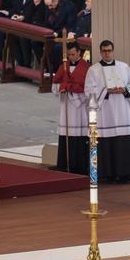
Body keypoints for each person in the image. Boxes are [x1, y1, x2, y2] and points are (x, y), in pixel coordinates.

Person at [85, 40, 130, 183]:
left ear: (113, 51)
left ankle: (126, 174)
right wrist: (106, 90)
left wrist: (125, 90)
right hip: (105, 112)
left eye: (109, 50)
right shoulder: (93, 70)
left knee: (123, 142)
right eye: (104, 51)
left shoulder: (124, 67)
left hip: (123, 110)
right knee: (106, 143)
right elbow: (88, 91)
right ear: (100, 52)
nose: (107, 53)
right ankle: (107, 174)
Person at [53, 42, 91, 175]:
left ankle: (79, 166)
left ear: (79, 53)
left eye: (73, 54)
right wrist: (62, 88)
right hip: (66, 106)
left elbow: (89, 89)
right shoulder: (64, 66)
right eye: (69, 55)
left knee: (79, 137)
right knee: (66, 134)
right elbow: (55, 84)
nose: (71, 57)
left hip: (79, 108)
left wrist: (71, 89)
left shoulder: (87, 68)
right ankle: (63, 164)